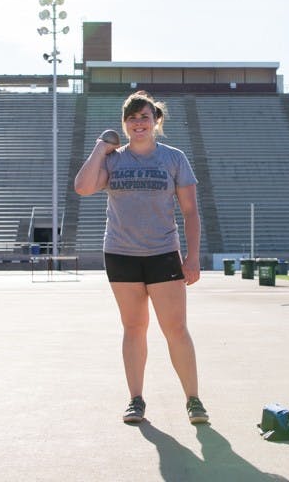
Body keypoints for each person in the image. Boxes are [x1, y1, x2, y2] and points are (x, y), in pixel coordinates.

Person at [74, 91, 209, 425]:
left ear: (155, 121)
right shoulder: (113, 160)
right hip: (121, 254)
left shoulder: (174, 159)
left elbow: (190, 212)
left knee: (175, 328)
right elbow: (82, 187)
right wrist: (100, 148)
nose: (138, 123)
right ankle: (136, 399)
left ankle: (193, 399)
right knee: (133, 328)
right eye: (132, 118)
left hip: (163, 253)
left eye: (144, 117)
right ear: (125, 123)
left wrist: (192, 257)